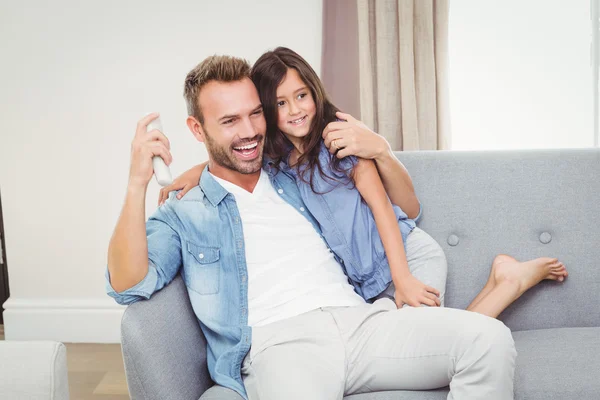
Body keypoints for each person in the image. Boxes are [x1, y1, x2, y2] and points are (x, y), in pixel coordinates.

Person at [106, 54, 555, 400]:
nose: (249, 131)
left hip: (361, 321)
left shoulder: (292, 170)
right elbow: (129, 283)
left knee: (487, 339)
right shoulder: (183, 211)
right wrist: (136, 185)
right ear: (197, 129)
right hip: (282, 343)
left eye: (254, 114)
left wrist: (380, 149)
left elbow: (396, 204)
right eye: (229, 121)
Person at [159, 47, 568, 317]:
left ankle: (511, 282)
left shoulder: (341, 140)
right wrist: (194, 172)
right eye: (280, 104)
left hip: (406, 257)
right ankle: (504, 278)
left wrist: (404, 277)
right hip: (365, 282)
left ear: (315, 92)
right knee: (428, 345)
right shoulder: (276, 160)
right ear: (266, 111)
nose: (296, 110)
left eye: (302, 95)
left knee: (429, 344)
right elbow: (233, 156)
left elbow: (382, 208)